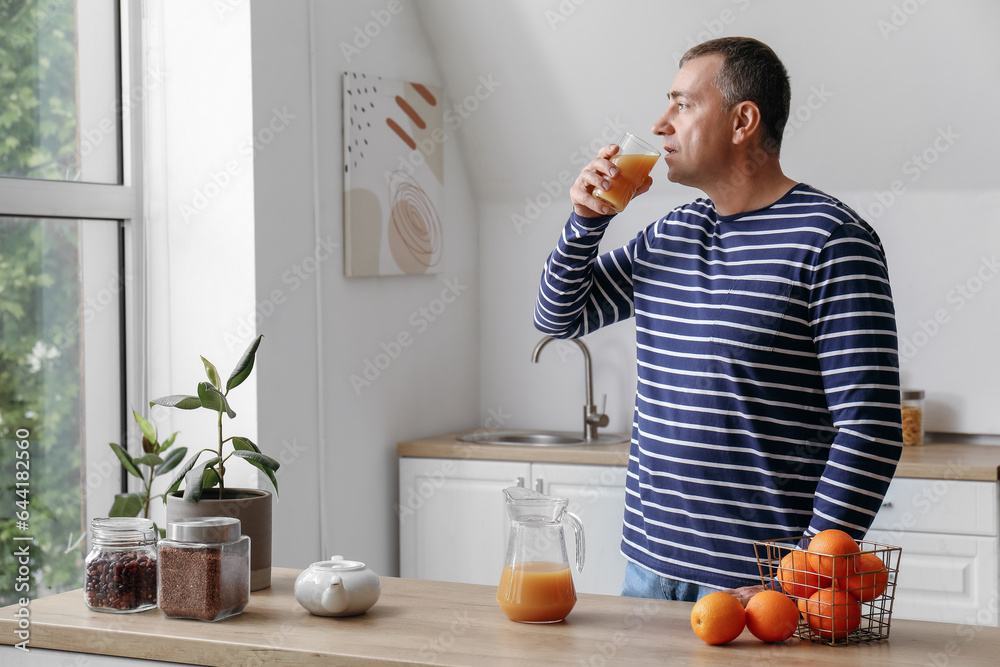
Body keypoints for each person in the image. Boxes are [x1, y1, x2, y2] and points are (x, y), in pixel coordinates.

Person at [533, 36, 902, 603]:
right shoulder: (673, 232)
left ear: (742, 121)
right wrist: (585, 222)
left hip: (761, 586)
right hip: (648, 570)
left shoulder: (831, 240)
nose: (660, 124)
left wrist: (805, 565)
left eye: (682, 104)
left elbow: (870, 428)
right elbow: (562, 316)